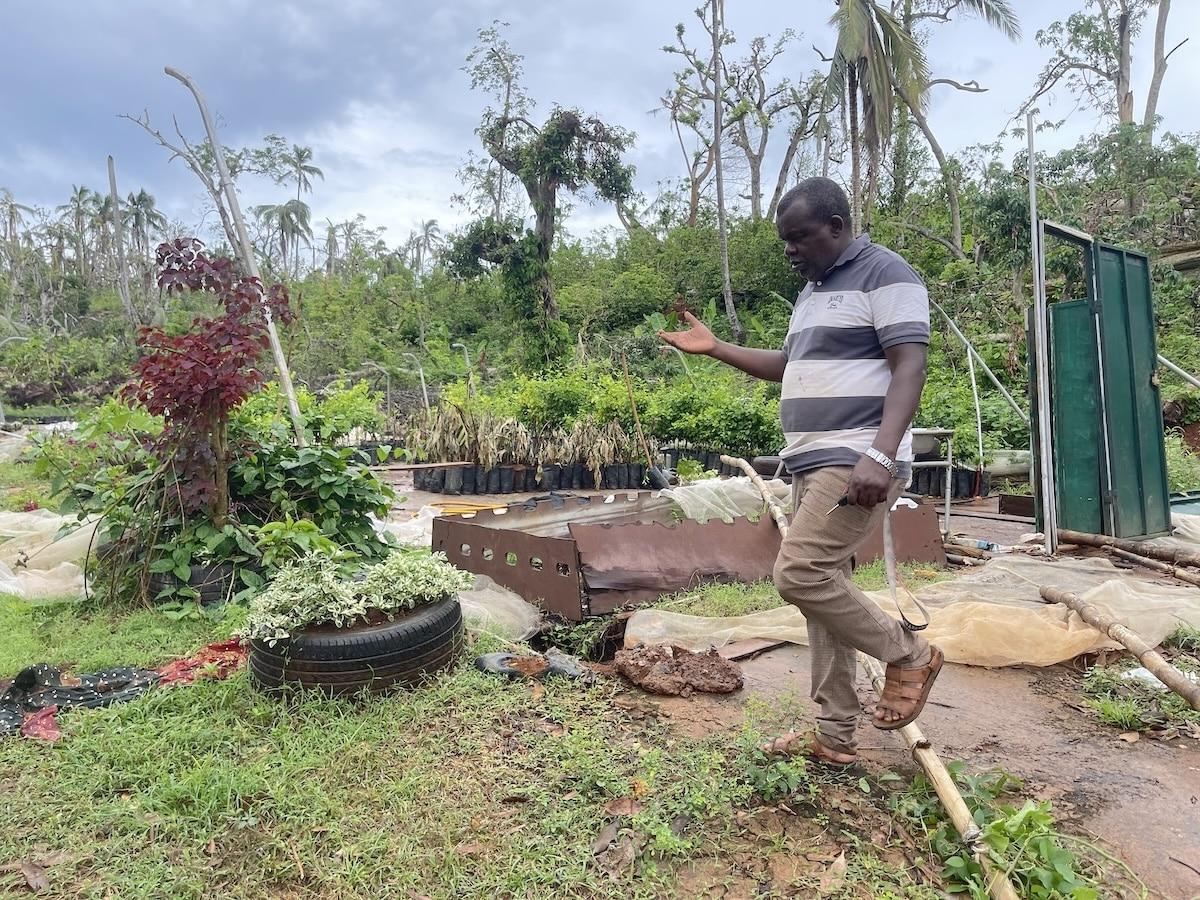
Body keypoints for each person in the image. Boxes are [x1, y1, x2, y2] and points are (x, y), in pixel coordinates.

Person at [658, 177, 942, 766]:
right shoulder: (813, 293)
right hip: (813, 461)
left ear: (836, 228)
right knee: (823, 591)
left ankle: (908, 653)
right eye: (784, 241)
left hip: (856, 457)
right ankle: (835, 736)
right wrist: (715, 348)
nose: (790, 250)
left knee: (800, 574)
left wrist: (881, 455)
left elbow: (909, 366)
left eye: (799, 238)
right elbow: (789, 366)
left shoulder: (886, 274)